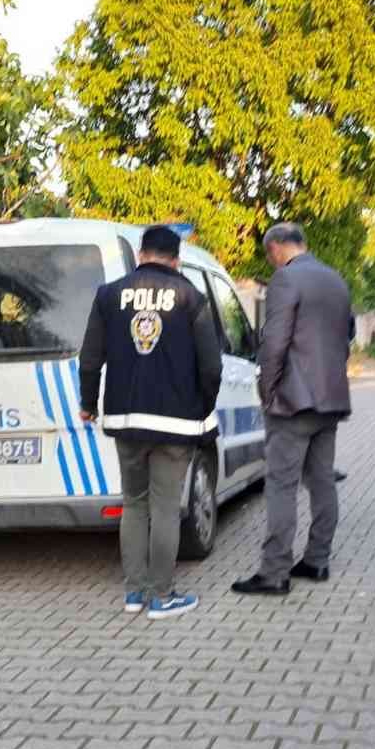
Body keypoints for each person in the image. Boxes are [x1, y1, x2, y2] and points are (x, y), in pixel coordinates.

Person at [79, 225, 222, 618]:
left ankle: (133, 594)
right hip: (177, 422)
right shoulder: (192, 297)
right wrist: (203, 406)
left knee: (134, 504)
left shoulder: (108, 295)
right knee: (164, 508)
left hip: (126, 418)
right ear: (176, 260)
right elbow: (211, 366)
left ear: (141, 254)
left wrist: (88, 402)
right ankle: (162, 596)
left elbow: (90, 357)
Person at [232, 222, 352, 595]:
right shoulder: (336, 280)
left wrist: (267, 391)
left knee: (281, 485)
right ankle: (317, 560)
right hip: (330, 399)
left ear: (276, 249)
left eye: (270, 256)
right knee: (321, 481)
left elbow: (273, 342)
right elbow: (345, 336)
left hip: (292, 402)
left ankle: (274, 572)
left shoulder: (286, 280)